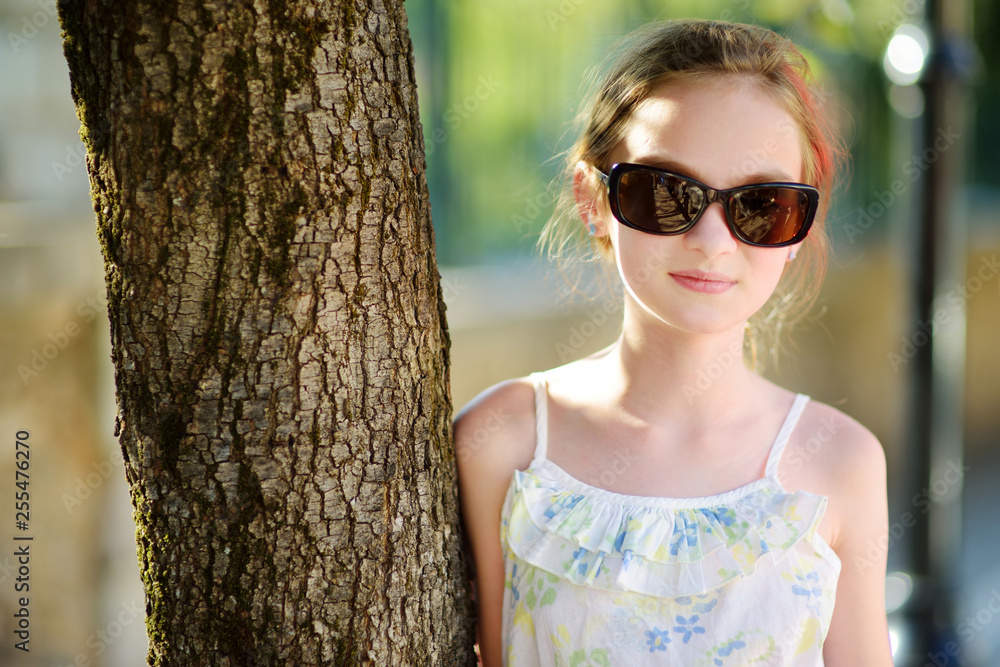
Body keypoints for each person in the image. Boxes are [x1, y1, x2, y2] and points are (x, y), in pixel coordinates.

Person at [454, 18, 893, 667]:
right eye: (665, 192)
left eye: (761, 204)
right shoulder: (504, 441)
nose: (713, 242)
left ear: (801, 222)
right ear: (592, 199)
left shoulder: (841, 465)